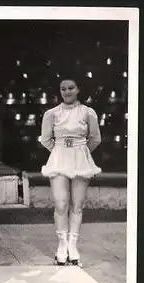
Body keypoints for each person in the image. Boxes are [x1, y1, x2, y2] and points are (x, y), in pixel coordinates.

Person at [40, 76, 102, 266]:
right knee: (61, 204)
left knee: (77, 205)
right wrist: (61, 152)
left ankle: (72, 247)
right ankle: (61, 246)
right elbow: (45, 139)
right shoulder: (52, 113)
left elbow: (95, 138)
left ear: (78, 89)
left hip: (80, 160)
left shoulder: (88, 112)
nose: (67, 92)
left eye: (71, 88)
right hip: (59, 160)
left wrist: (80, 153)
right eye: (63, 89)